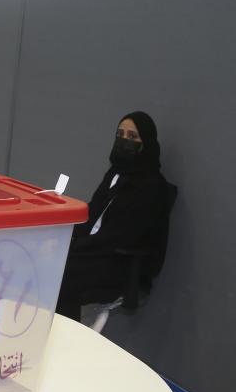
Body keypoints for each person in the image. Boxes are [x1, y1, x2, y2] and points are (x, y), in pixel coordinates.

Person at [55, 111, 172, 321]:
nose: (124, 140)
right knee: (49, 261)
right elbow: (92, 215)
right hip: (94, 251)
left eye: (133, 137)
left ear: (146, 143)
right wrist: (65, 237)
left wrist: (74, 246)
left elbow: (121, 236)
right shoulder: (115, 173)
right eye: (120, 134)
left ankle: (66, 344)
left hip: (118, 262)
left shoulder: (152, 186)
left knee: (61, 277)